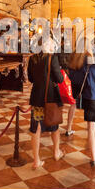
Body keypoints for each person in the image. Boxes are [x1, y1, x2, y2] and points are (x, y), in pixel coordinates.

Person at [27, 40, 65, 170]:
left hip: (37, 98)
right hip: (50, 98)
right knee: (54, 126)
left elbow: (31, 78)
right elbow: (60, 79)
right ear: (48, 46)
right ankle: (56, 152)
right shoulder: (52, 58)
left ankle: (36, 160)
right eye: (53, 46)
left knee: (36, 128)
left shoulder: (32, 58)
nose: (54, 48)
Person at [66, 51, 91, 136]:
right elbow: (88, 70)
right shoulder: (87, 56)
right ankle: (90, 129)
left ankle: (68, 128)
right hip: (84, 84)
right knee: (88, 106)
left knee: (72, 105)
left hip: (73, 83)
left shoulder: (72, 55)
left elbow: (68, 69)